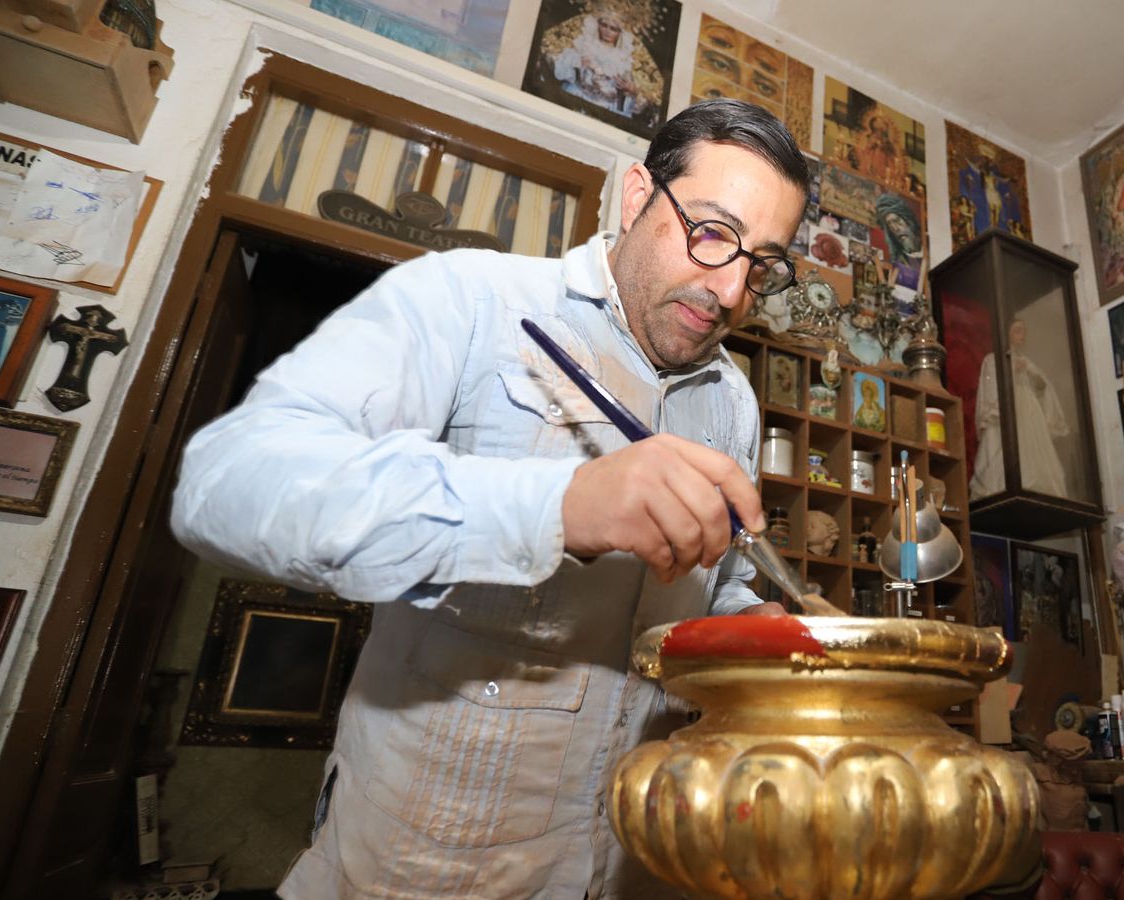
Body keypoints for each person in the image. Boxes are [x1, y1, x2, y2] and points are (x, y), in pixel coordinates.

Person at [170, 99, 809, 899]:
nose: (730, 288)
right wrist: (556, 507)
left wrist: (761, 631)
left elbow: (721, 588)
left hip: (639, 864)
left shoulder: (734, 403)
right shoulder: (471, 299)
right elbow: (227, 486)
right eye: (711, 232)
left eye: (764, 264)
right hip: (423, 869)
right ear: (637, 195)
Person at [970, 318, 1072, 499]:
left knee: (1034, 454)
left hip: (1028, 413)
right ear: (1006, 332)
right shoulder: (993, 360)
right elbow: (991, 389)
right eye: (1017, 330)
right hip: (1007, 412)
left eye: (1023, 331)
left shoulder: (1026, 361)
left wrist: (1032, 374)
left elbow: (1043, 386)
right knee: (998, 452)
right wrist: (1011, 370)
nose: (1022, 335)